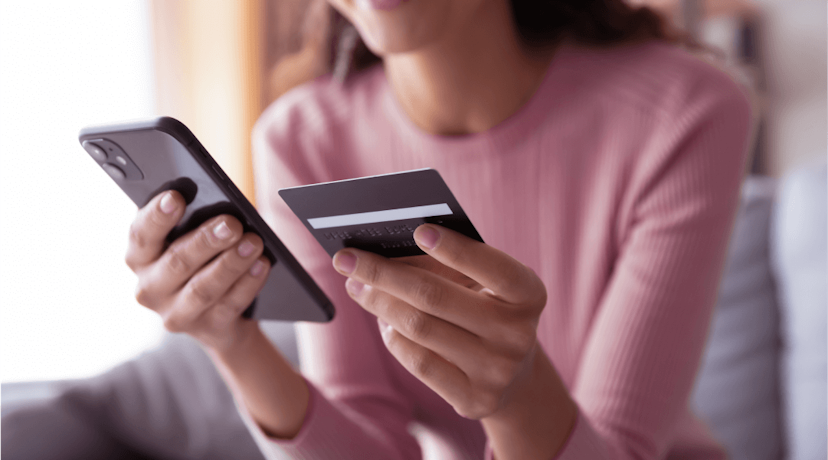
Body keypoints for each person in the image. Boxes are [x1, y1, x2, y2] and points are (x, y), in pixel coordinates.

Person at [126, 0, 751, 458]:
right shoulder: (302, 138)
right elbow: (370, 441)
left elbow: (621, 447)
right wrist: (234, 344)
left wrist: (518, 397)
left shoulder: (685, 112)